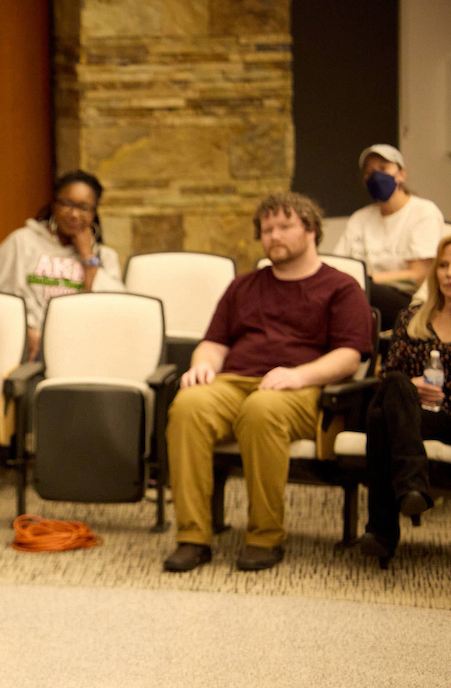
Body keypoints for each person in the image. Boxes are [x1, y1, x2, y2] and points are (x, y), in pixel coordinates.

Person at [163, 192, 374, 573]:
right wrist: (202, 367)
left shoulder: (341, 288)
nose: (273, 236)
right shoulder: (243, 287)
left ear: (311, 230)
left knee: (262, 410)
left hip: (301, 389)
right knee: (188, 405)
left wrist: (298, 375)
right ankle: (193, 536)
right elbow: (213, 343)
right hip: (234, 382)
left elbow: (350, 356)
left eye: (284, 227)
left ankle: (265, 536)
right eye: (266, 230)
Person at [359, 235, 451, 565]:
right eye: (443, 265)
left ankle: (382, 531)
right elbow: (388, 378)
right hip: (412, 417)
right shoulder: (409, 318)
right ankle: (412, 487)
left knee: (379, 418)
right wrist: (412, 387)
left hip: (449, 415)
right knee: (394, 390)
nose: (449, 273)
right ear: (434, 273)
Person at [0, 169, 125, 361]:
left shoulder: (104, 257)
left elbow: (114, 312)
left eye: (83, 207)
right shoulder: (21, 242)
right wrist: (26, 331)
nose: (74, 214)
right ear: (54, 204)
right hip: (27, 348)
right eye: (67, 204)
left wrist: (87, 256)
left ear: (94, 212)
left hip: (83, 348)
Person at [332, 144, 446, 330]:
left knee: (358, 294)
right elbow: (340, 265)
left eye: (383, 169)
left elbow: (418, 274)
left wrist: (368, 279)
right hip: (360, 292)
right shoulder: (359, 219)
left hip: (406, 299)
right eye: (369, 172)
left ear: (401, 174)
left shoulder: (423, 212)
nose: (376, 176)